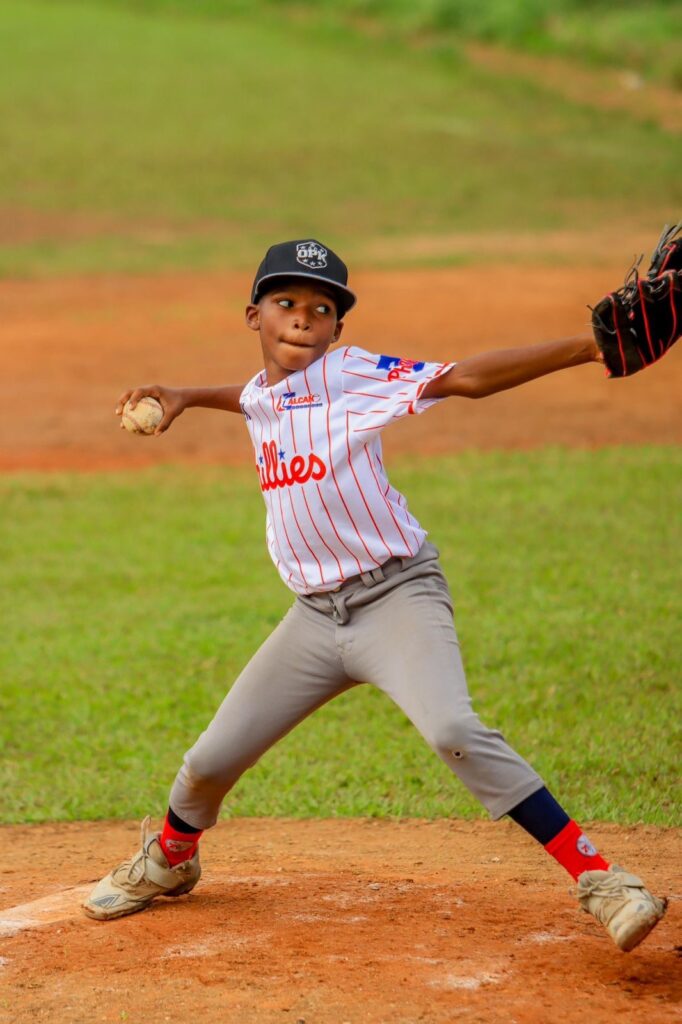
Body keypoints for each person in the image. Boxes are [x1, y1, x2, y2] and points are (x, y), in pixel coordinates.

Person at [83, 239, 667, 952]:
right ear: (254, 316)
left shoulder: (352, 374)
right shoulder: (264, 393)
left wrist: (589, 346)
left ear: (338, 330)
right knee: (209, 761)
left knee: (453, 731)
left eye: (321, 309)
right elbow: (255, 398)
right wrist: (185, 395)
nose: (303, 318)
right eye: (285, 303)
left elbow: (465, 379)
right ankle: (172, 860)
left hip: (396, 598)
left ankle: (603, 880)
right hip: (313, 619)